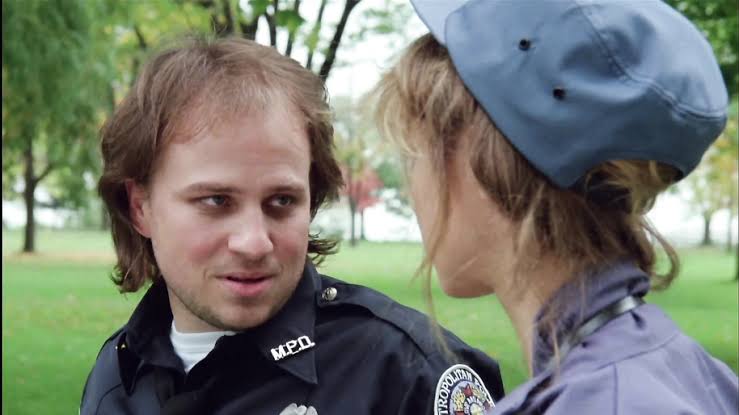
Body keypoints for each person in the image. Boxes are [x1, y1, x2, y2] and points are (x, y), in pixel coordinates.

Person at [80, 36, 505, 415]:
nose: (254, 243)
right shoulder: (116, 374)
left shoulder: (407, 377)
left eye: (282, 202)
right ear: (140, 207)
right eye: (216, 201)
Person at [372, 0, 739, 413]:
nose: (412, 187)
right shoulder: (685, 371)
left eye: (415, 152)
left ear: (479, 154)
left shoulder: (603, 404)